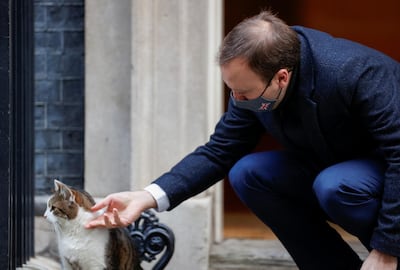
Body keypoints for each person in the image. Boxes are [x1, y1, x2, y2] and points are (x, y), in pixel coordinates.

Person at [86, 10, 400, 270]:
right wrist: (146, 197)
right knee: (248, 173)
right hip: (335, 164)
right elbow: (219, 151)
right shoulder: (252, 90)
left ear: (281, 77)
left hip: (386, 169)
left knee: (335, 184)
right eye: (231, 90)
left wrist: (387, 250)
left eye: (245, 93)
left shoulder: (355, 72)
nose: (237, 99)